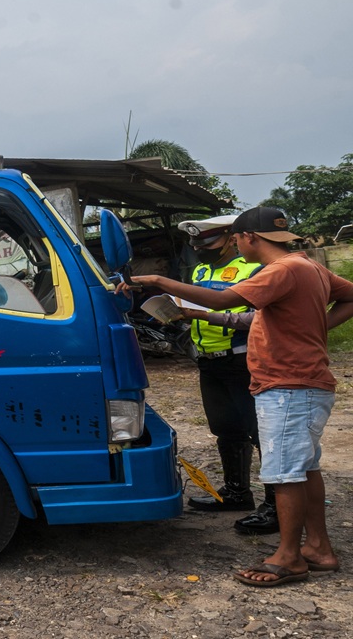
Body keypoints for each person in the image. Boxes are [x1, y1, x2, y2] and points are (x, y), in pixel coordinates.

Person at [121, 207, 353, 587]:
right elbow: (247, 318)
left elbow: (223, 301)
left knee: (285, 473)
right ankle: (319, 549)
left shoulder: (280, 270)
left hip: (288, 387)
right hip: (302, 384)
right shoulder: (307, 266)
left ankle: (289, 557)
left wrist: (160, 280)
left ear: (247, 238)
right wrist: (316, 329)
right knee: (305, 468)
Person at [174, 215, 277, 535]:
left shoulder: (253, 270)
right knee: (226, 429)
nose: (199, 250)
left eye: (206, 244)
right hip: (209, 361)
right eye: (195, 245)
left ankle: (275, 506)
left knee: (260, 434)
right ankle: (236, 493)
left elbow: (258, 317)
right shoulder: (200, 270)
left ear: (230, 240)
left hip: (243, 360)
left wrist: (209, 315)